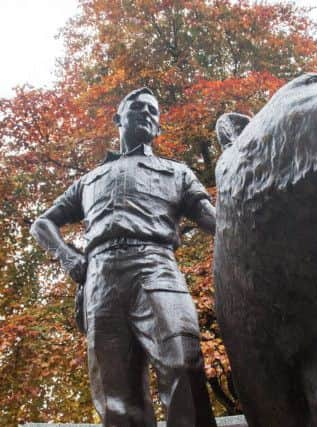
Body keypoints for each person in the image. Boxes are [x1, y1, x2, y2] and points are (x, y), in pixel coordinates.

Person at [30, 87, 218, 427]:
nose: (147, 113)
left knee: (182, 362)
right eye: (138, 108)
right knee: (116, 392)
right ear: (118, 118)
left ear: (159, 128)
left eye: (153, 111)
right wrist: (67, 256)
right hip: (99, 278)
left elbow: (214, 221)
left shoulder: (178, 173)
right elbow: (42, 223)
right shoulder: (88, 180)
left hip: (156, 266)